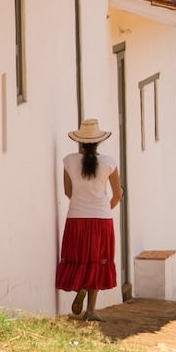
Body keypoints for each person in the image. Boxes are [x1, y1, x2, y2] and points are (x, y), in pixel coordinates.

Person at [55, 118, 122, 322]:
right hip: (102, 219)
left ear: (80, 142)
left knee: (79, 258)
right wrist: (104, 209)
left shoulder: (68, 161)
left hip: (76, 217)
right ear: (99, 141)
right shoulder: (109, 163)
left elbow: (68, 191)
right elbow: (117, 194)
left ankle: (81, 285)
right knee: (98, 261)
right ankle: (91, 309)